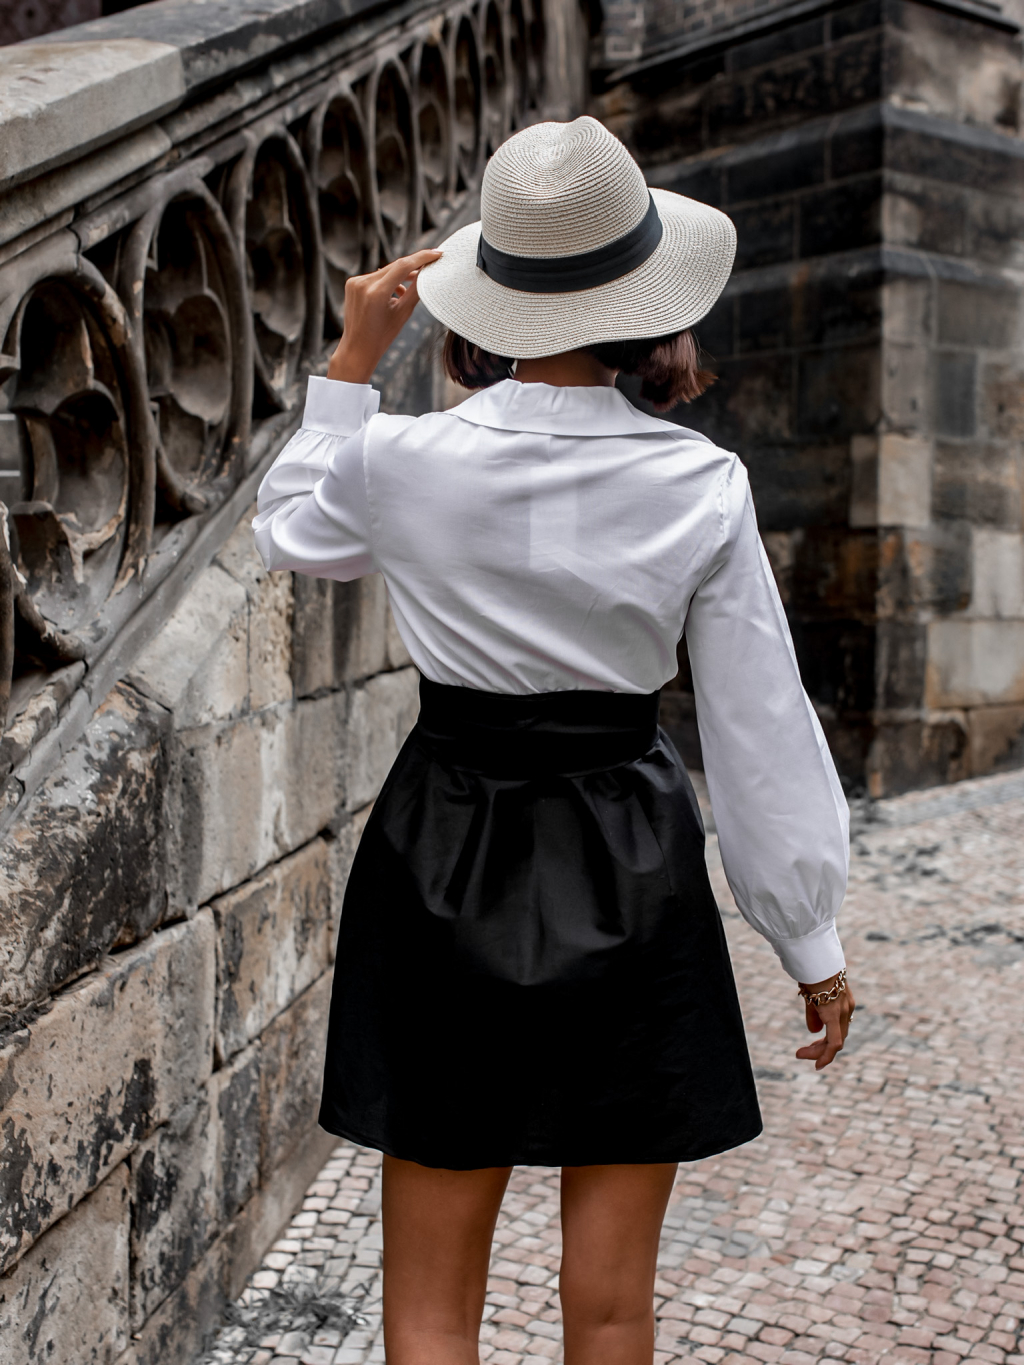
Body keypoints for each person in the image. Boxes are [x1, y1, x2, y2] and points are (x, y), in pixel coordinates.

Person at [253, 115, 854, 1365]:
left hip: (442, 850)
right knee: (614, 1304)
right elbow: (755, 720)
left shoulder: (400, 462)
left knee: (427, 1310)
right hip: (630, 857)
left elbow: (294, 530)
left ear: (492, 291)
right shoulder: (701, 482)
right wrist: (808, 937)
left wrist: (352, 365)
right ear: (647, 299)